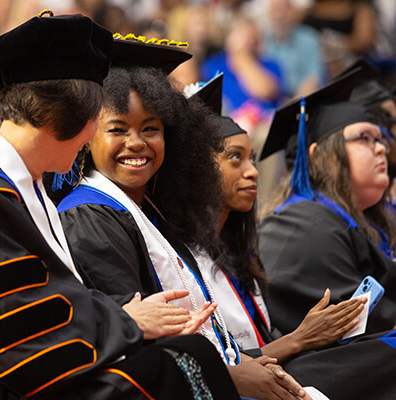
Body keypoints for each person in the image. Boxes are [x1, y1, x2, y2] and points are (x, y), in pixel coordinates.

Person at [0, 12, 239, 400]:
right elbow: (22, 337)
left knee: (189, 353)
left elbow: (45, 304)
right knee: (179, 365)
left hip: (21, 374)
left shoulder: (16, 183)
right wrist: (127, 322)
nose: (91, 137)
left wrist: (126, 319)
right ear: (66, 116)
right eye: (99, 121)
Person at [58, 39, 313, 400]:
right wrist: (228, 376)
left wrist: (246, 363)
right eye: (117, 130)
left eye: (150, 129)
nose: (136, 143)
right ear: (87, 138)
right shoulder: (90, 216)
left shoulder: (149, 210)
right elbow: (132, 342)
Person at [157, 76, 396, 400]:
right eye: (235, 158)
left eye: (253, 159)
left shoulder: (234, 253)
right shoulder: (176, 256)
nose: (254, 171)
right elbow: (209, 365)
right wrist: (299, 338)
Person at [258, 68, 396, 337]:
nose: (380, 148)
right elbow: (356, 324)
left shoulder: (357, 221)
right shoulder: (302, 223)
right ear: (322, 156)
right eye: (364, 138)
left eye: (381, 140)